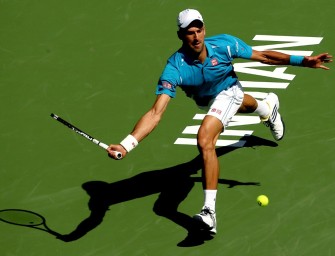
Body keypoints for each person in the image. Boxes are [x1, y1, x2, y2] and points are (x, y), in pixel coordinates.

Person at [107, 9, 332, 234]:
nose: (196, 37)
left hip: (229, 90)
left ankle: (209, 212)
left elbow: (264, 56)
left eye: (199, 30)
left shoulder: (225, 45)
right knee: (240, 107)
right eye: (189, 33)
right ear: (180, 36)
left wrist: (303, 61)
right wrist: (128, 144)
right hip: (206, 100)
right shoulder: (175, 67)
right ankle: (267, 108)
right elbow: (156, 112)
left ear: (204, 30)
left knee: (205, 139)